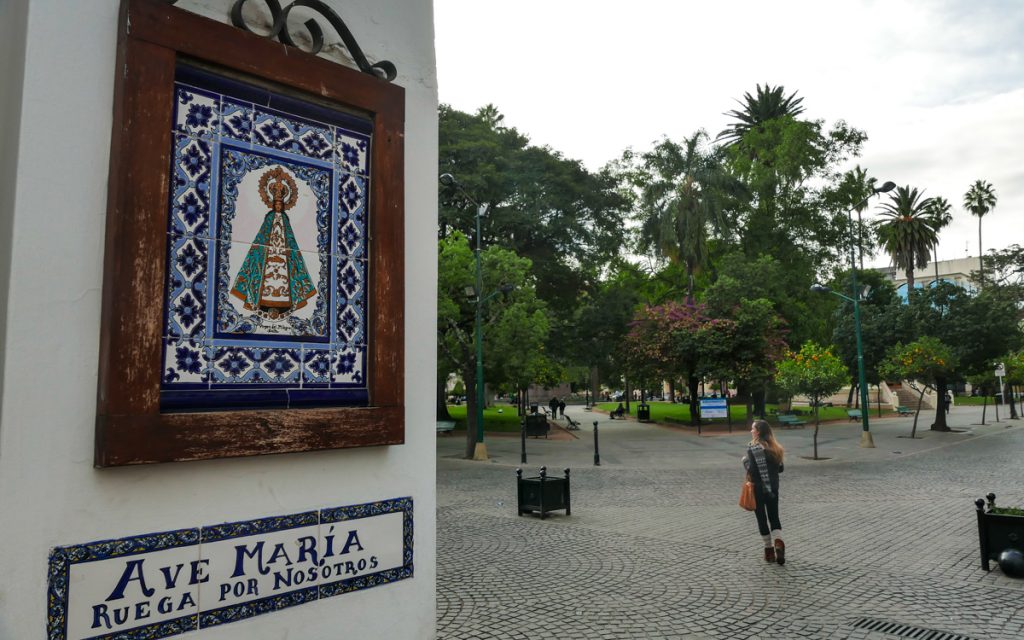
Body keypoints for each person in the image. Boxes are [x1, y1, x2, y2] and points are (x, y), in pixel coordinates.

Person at [742, 419, 786, 565]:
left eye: (753, 428)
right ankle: (779, 544)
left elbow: (753, 472)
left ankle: (769, 551)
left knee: (762, 518)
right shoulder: (776, 448)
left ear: (758, 431)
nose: (751, 431)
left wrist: (745, 462)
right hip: (773, 488)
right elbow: (780, 469)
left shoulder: (753, 448)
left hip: (758, 489)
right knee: (774, 517)